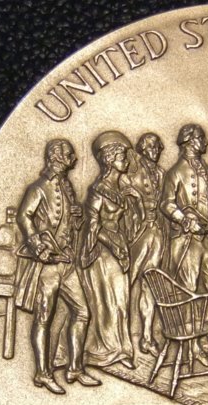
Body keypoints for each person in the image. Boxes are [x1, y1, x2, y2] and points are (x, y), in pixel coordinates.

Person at [15, 139, 100, 394]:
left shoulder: (67, 186)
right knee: (44, 318)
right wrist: (37, 246)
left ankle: (75, 369)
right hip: (48, 266)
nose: (74, 158)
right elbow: (24, 217)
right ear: (57, 157)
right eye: (69, 154)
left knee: (83, 313)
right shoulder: (38, 188)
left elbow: (70, 223)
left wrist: (77, 218)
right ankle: (43, 373)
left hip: (67, 263)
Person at [79, 131, 135, 369]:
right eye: (122, 156)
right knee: (107, 301)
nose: (127, 161)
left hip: (118, 245)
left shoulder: (119, 189)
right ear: (110, 159)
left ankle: (122, 350)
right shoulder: (97, 190)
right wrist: (113, 246)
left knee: (122, 300)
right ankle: (102, 352)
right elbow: (93, 225)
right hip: (101, 250)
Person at [160, 124, 208, 328]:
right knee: (188, 291)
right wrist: (185, 220)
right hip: (187, 240)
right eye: (201, 138)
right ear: (189, 141)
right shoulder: (175, 172)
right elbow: (166, 204)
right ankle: (189, 341)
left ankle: (203, 333)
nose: (205, 142)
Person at [124, 132, 167, 356]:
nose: (155, 150)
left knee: (150, 284)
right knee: (127, 283)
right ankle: (121, 339)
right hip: (136, 235)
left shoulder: (161, 173)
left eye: (157, 147)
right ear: (142, 148)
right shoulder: (131, 170)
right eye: (150, 146)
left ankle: (147, 337)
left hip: (157, 233)